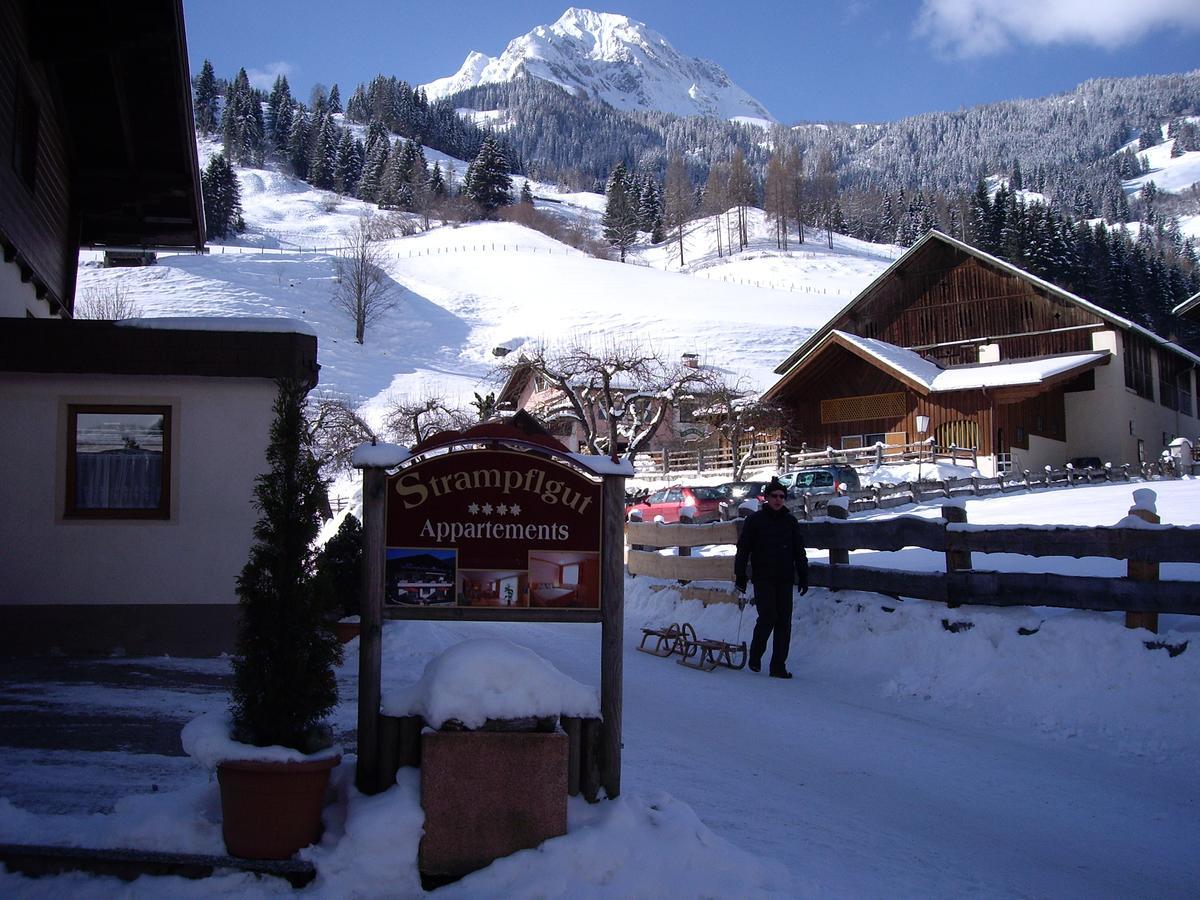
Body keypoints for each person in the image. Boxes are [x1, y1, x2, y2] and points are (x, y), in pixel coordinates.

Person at [734, 477, 808, 678]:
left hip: (784, 577)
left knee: (784, 622)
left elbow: (798, 550)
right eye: (774, 496)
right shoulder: (755, 521)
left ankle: (778, 666)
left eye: (782, 497)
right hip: (763, 577)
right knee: (768, 617)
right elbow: (744, 548)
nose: (778, 500)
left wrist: (803, 574)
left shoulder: (790, 521)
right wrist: (740, 574)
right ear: (766, 498)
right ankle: (756, 655)